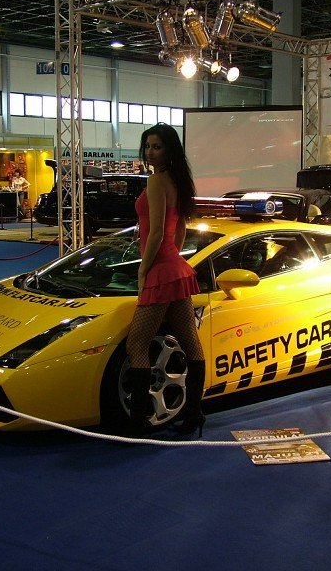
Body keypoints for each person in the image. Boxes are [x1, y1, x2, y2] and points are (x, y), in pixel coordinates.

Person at [124, 123, 206, 437]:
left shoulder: (156, 180)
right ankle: (194, 414)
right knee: (190, 344)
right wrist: (173, 254)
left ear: (169, 149)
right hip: (175, 268)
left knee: (137, 343)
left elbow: (157, 232)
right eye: (147, 146)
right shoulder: (177, 180)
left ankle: (138, 422)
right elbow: (180, 230)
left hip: (161, 269)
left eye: (156, 146)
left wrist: (144, 270)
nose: (150, 152)